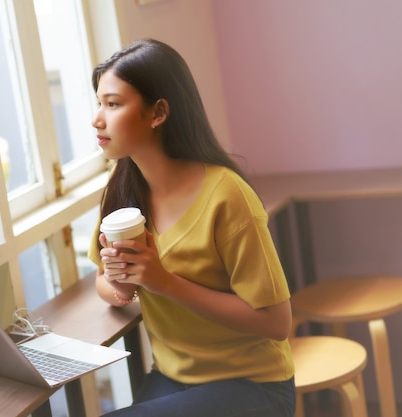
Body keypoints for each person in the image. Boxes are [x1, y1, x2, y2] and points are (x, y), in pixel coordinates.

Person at [88, 38, 295, 417]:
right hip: (173, 377)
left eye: (113, 104)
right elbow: (104, 280)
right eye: (99, 102)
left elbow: (277, 322)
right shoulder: (121, 191)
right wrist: (122, 284)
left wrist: (163, 282)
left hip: (252, 386)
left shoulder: (226, 195)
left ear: (158, 112)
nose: (97, 119)